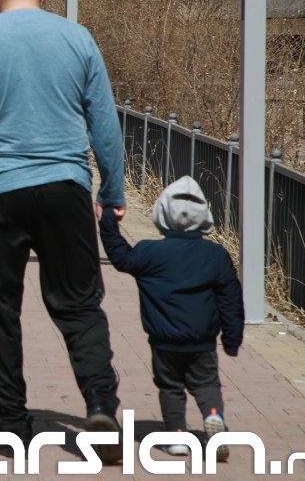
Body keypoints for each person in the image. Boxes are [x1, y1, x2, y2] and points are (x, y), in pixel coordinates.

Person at [0, 0, 128, 462]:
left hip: (0, 193)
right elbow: (104, 124)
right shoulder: (77, 38)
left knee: (1, 311)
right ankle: (99, 403)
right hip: (66, 188)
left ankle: (12, 426)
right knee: (79, 305)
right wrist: (113, 192)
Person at [98, 175, 243, 460]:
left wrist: (108, 221)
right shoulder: (215, 255)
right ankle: (214, 416)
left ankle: (176, 436)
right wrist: (231, 338)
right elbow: (230, 299)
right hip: (202, 340)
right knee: (206, 384)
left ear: (161, 214)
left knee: (170, 387)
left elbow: (120, 256)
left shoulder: (150, 252)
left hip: (163, 339)